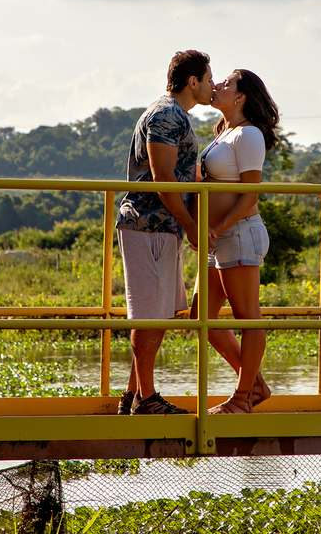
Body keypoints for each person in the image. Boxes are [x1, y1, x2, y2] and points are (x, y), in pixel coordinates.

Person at [114, 50, 214, 415]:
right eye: (208, 79)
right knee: (149, 315)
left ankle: (133, 394)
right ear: (193, 82)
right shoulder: (166, 114)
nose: (212, 85)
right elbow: (162, 177)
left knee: (159, 312)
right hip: (149, 224)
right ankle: (147, 398)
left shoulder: (175, 114)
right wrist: (190, 226)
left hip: (161, 227)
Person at [198, 69, 279, 414]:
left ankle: (243, 397)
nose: (216, 86)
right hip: (218, 238)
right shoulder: (223, 133)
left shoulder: (248, 135)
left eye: (226, 84)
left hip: (239, 231)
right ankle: (255, 385)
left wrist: (216, 229)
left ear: (242, 96)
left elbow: (249, 195)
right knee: (200, 317)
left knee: (248, 317)